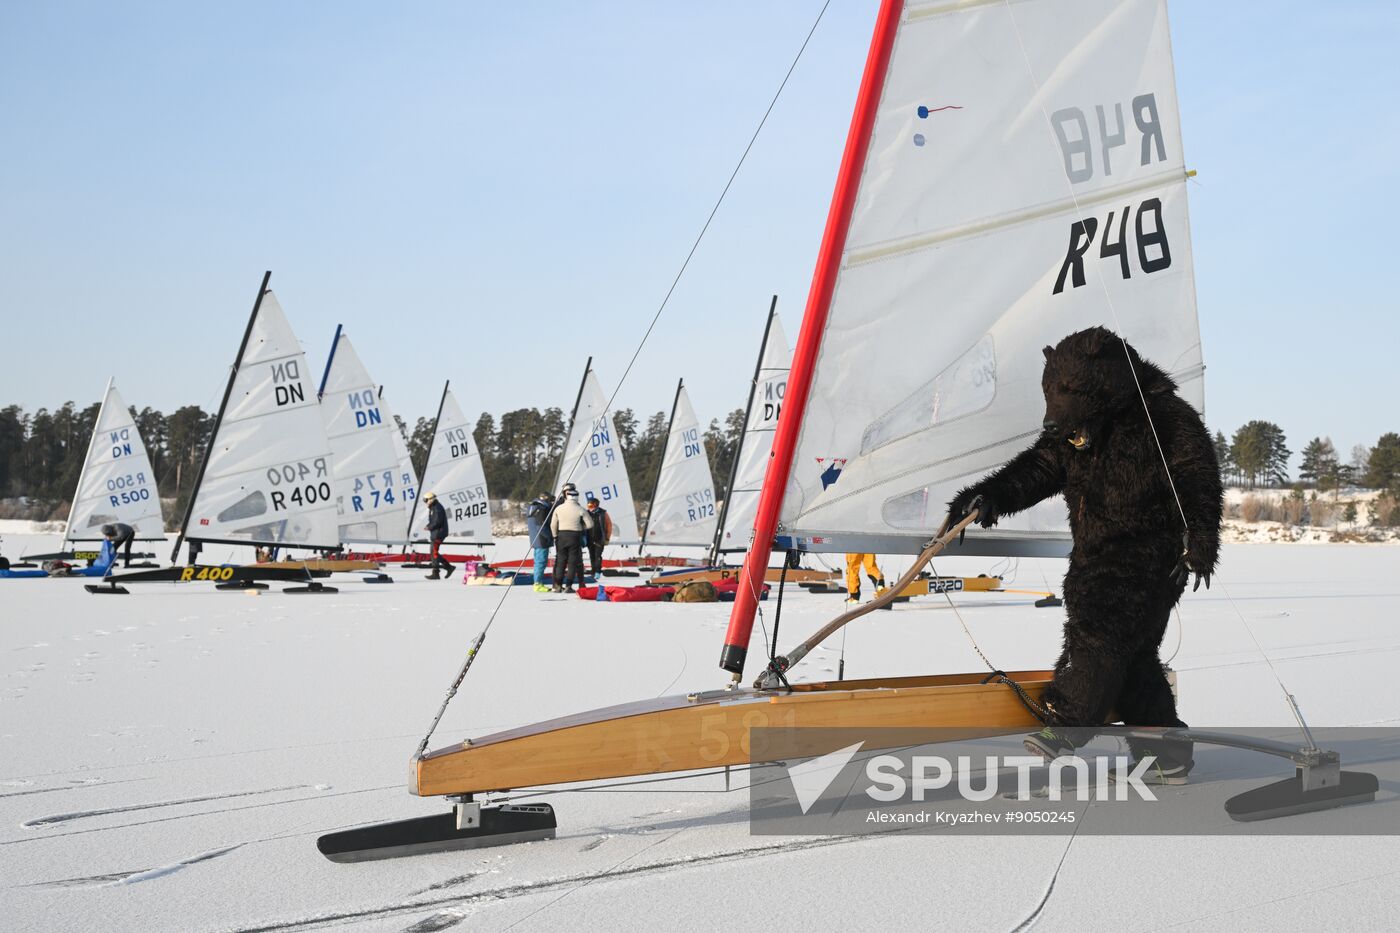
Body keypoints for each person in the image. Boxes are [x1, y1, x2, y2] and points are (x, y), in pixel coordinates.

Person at [549, 488, 594, 593]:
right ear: (576, 497)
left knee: (560, 562)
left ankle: (558, 585)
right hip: (575, 536)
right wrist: (580, 527)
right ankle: (568, 586)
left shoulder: (559, 508)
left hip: (561, 536)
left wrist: (555, 536)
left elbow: (552, 525)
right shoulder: (580, 509)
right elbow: (590, 524)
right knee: (572, 563)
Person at [525, 492, 556, 593]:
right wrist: (550, 537)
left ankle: (538, 582)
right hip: (541, 539)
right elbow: (541, 527)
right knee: (541, 562)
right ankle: (537, 584)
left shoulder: (533, 507)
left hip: (536, 538)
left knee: (538, 562)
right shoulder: (541, 509)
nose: (551, 503)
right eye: (550, 501)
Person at [423, 492, 454, 580]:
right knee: (433, 553)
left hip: (438, 534)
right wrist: (428, 525)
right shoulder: (433, 507)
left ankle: (438, 572)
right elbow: (434, 520)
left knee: (434, 553)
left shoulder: (437, 508)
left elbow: (438, 522)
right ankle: (446, 568)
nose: (425, 502)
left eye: (425, 500)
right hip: (436, 533)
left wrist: (429, 527)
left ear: (430, 499)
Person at [585, 497, 612, 576]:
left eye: (590, 505)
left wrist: (607, 538)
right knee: (592, 555)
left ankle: (598, 571)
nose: (588, 507)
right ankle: (593, 571)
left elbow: (609, 525)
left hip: (600, 539)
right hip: (589, 538)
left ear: (595, 505)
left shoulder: (603, 513)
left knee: (598, 555)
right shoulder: (587, 513)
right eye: (588, 505)